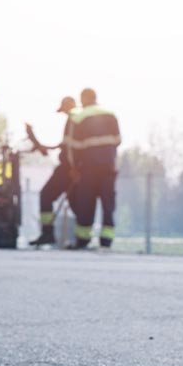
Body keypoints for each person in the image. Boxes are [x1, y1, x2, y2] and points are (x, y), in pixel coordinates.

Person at [65, 88, 121, 249]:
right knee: (108, 204)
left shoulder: (78, 117)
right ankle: (106, 240)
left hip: (88, 168)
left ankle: (83, 239)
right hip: (108, 167)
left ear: (83, 99)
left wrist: (74, 167)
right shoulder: (110, 114)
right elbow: (117, 140)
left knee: (85, 203)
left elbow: (72, 147)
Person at [27, 96, 77, 246]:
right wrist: (46, 147)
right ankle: (78, 238)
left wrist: (74, 167)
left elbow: (70, 147)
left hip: (69, 168)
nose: (64, 113)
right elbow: (65, 145)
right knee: (75, 201)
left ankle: (48, 233)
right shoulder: (75, 121)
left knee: (46, 195)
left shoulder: (74, 120)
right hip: (73, 167)